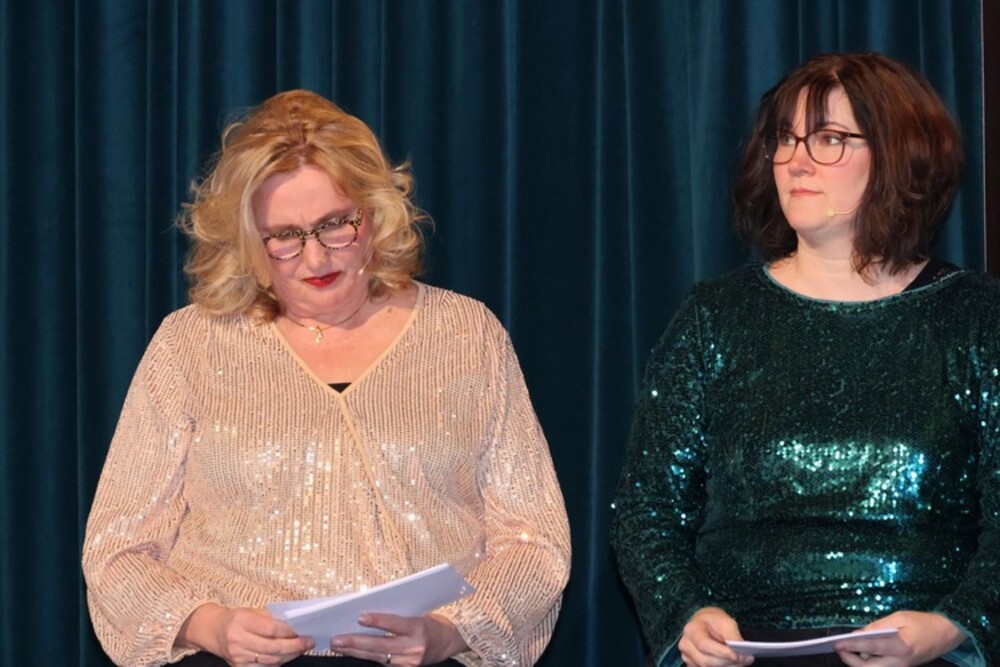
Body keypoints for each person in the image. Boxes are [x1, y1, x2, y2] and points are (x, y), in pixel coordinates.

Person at [82, 89, 571, 667]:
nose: (316, 259)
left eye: (336, 225)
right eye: (284, 236)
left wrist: (451, 631)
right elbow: (117, 549)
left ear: (375, 213)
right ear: (248, 242)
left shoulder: (466, 334)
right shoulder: (190, 343)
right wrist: (211, 626)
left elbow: (534, 542)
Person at [611, 52, 999, 667]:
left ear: (899, 155)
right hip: (745, 652)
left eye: (829, 139)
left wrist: (953, 624)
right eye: (785, 139)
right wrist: (687, 613)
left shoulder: (976, 317)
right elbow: (646, 508)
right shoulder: (716, 316)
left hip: (924, 653)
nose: (795, 161)